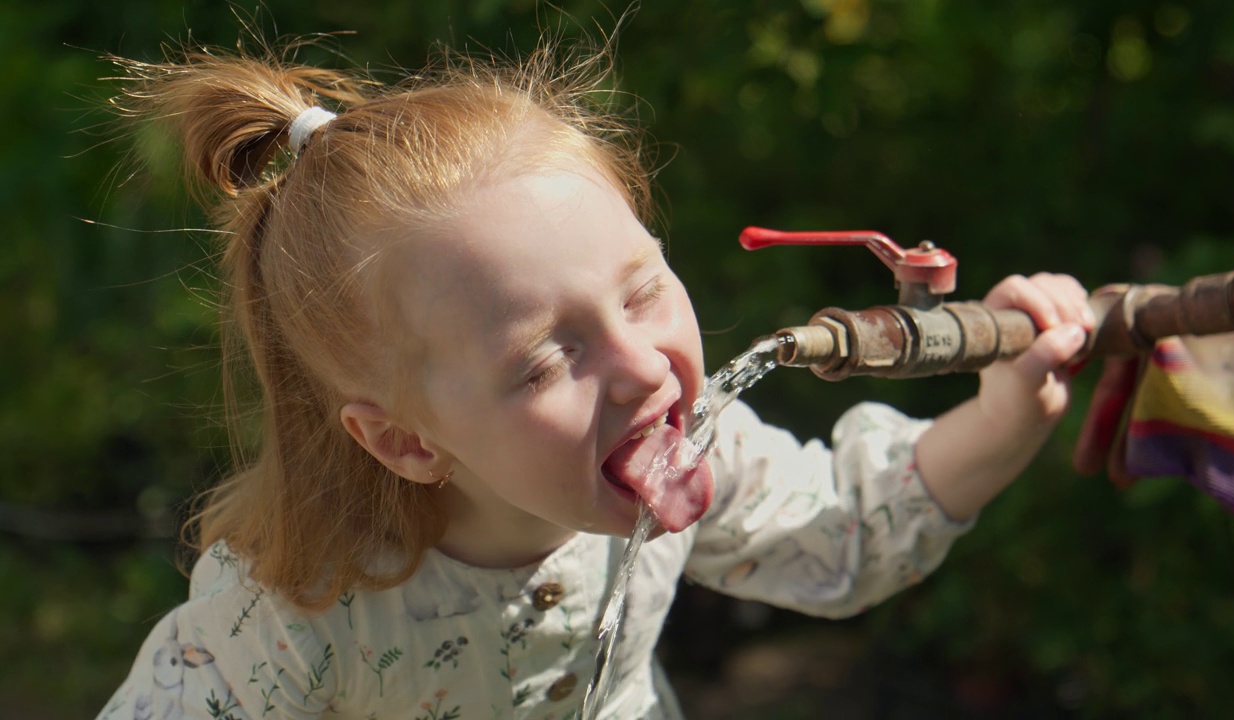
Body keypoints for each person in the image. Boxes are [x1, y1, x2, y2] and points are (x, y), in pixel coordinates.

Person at [96, 38, 1093, 720]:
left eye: (644, 289)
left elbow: (836, 527)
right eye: (548, 357)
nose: (638, 367)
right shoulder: (293, 610)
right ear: (405, 440)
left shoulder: (683, 457)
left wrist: (1006, 412)